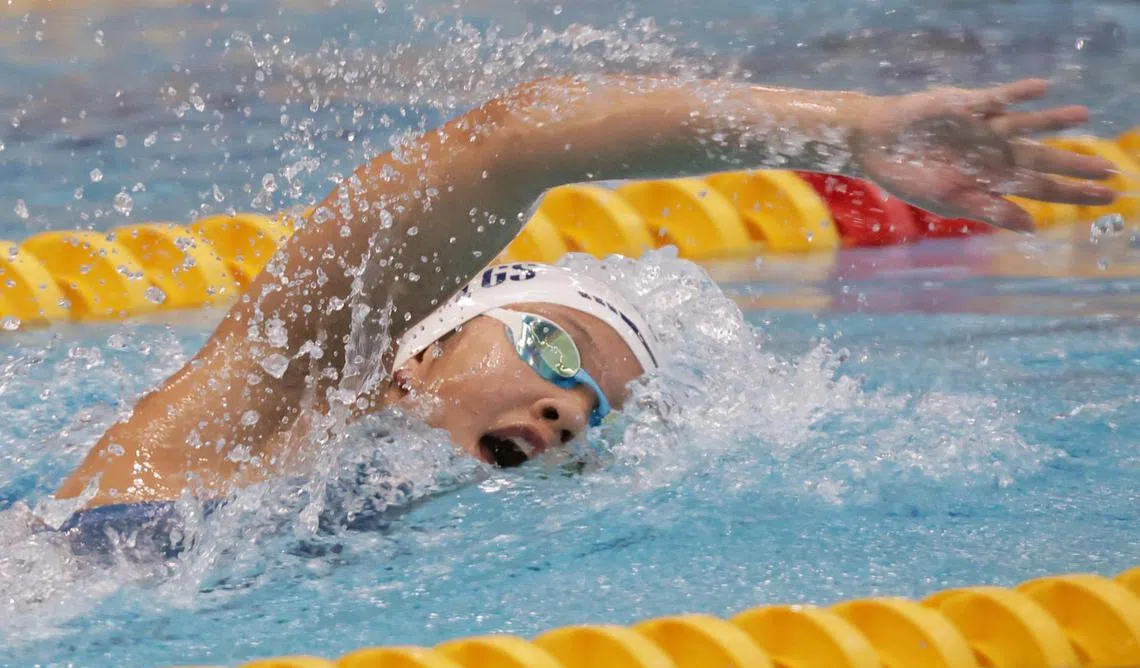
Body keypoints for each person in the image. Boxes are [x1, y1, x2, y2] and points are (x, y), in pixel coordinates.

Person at [53, 74, 1114, 514]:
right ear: (419, 350)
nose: (576, 409)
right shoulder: (265, 405)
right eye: (556, 354)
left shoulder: (376, 523)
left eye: (601, 407)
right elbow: (511, 139)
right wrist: (845, 131)